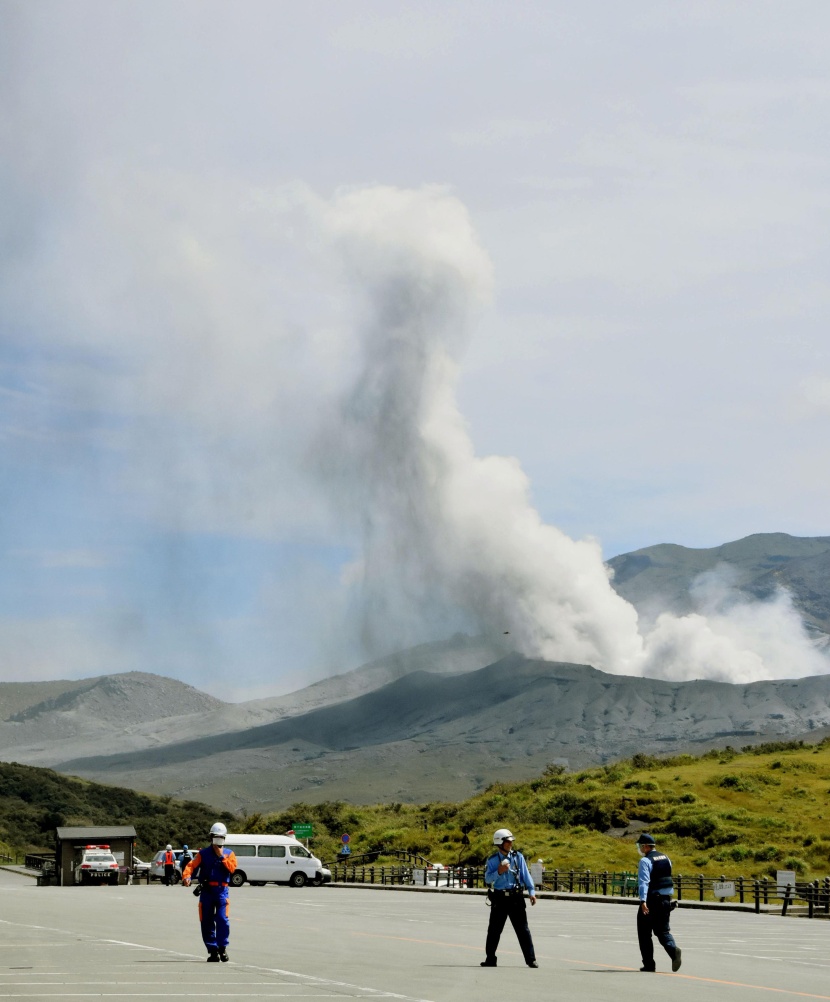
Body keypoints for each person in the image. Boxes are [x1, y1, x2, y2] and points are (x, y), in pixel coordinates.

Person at [481, 827, 538, 968]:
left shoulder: (518, 857)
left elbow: (525, 874)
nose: (510, 844)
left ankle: (531, 959)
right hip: (500, 898)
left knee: (523, 930)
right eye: (507, 842)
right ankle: (490, 959)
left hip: (516, 898)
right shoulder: (493, 860)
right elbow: (488, 879)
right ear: (500, 843)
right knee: (494, 930)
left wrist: (531, 891)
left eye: (511, 841)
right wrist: (498, 872)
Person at [181, 822, 238, 963]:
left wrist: (221, 856)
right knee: (206, 921)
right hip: (206, 891)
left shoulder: (229, 854)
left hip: (222, 891)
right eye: (215, 837)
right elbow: (191, 866)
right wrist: (186, 877)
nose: (217, 840)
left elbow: (232, 869)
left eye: (220, 838)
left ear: (224, 839)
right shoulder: (203, 854)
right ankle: (212, 951)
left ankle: (222, 948)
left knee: (222, 920)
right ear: (210, 837)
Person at [636, 833, 682, 973]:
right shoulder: (666, 858)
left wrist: (643, 901)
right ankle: (673, 950)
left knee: (644, 933)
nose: (639, 848)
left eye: (640, 845)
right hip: (665, 900)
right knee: (662, 930)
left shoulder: (645, 861)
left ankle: (649, 964)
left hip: (651, 900)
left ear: (645, 846)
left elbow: (644, 882)